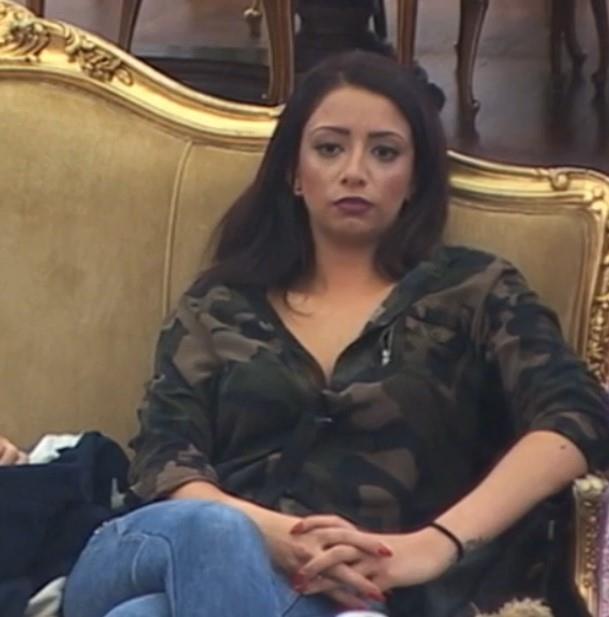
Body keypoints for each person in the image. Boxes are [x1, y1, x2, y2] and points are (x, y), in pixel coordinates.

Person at [61, 50, 609, 617]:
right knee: (215, 531)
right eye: (329, 148)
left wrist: (431, 545)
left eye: (384, 152)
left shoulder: (474, 291)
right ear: (294, 174)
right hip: (168, 548)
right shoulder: (221, 301)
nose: (354, 171)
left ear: (415, 178)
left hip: (359, 593)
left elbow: (578, 417)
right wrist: (272, 537)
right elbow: (163, 458)